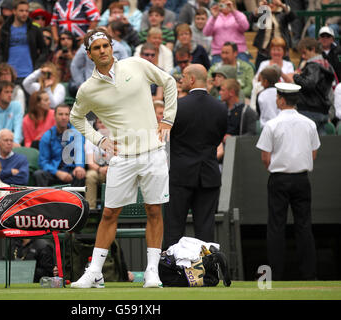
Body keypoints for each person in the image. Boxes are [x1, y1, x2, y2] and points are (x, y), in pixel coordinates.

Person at [69, 28, 177, 288]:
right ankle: (95, 272)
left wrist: (167, 119)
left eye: (106, 45)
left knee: (153, 210)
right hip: (122, 158)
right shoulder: (87, 89)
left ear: (112, 47)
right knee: (108, 214)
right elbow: (75, 117)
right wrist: (100, 140)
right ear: (89, 54)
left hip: (153, 152)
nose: (103, 50)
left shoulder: (136, 64)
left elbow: (169, 82)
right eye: (97, 48)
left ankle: (152, 272)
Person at [256, 82, 320, 281]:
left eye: (277, 97)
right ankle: (309, 274)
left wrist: (278, 168)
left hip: (279, 179)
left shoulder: (272, 125)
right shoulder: (309, 123)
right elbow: (313, 152)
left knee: (276, 226)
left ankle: (274, 275)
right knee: (304, 226)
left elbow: (265, 157)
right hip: (301, 179)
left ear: (282, 100)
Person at [164, 64, 227, 248]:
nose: (181, 80)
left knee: (173, 229)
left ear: (192, 79)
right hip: (208, 175)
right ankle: (206, 274)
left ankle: (172, 274)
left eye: (183, 77)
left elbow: (167, 138)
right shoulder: (220, 108)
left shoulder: (176, 107)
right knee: (206, 231)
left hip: (179, 176)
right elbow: (217, 139)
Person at [33, 104, 86, 188]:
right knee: (39, 174)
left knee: (80, 174)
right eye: (60, 114)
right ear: (54, 116)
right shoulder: (47, 136)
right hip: (53, 172)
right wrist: (57, 172)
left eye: (66, 114)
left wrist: (79, 167)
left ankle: (74, 201)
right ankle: (45, 200)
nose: (64, 117)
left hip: (71, 171)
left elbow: (80, 153)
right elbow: (43, 162)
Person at [294, 37, 336, 134]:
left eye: (304, 53)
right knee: (320, 145)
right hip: (323, 112)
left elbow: (309, 84)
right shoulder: (327, 65)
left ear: (313, 49)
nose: (303, 57)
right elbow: (329, 92)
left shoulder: (313, 66)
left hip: (309, 112)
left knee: (306, 145)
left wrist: (296, 76)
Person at [0, 0, 48, 83]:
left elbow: (44, 50)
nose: (24, 13)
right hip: (10, 75)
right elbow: (0, 50)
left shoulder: (34, 29)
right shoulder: (5, 29)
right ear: (14, 11)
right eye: (21, 11)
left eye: (26, 11)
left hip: (29, 73)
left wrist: (37, 66)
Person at [249, 0, 295, 70]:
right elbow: (253, 18)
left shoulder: (283, 14)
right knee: (260, 72)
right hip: (264, 51)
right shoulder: (263, 14)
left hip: (281, 50)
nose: (271, 6)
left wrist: (282, 5)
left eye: (274, 4)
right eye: (269, 4)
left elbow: (292, 16)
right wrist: (259, 7)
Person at [203, 0, 250, 64]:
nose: (225, 5)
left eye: (227, 3)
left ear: (232, 3)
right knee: (216, 73)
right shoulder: (214, 17)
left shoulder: (239, 14)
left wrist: (233, 11)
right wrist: (214, 17)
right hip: (219, 53)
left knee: (243, 72)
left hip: (238, 52)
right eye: (222, 3)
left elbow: (245, 27)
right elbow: (206, 33)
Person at [85, 118, 110, 210]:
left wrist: (110, 168)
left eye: (104, 121)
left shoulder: (116, 138)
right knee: (90, 175)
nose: (102, 124)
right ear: (96, 124)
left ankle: (112, 209)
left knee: (117, 175)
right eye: (100, 122)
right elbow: (90, 162)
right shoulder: (91, 139)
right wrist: (100, 169)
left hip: (113, 170)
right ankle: (90, 209)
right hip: (97, 170)